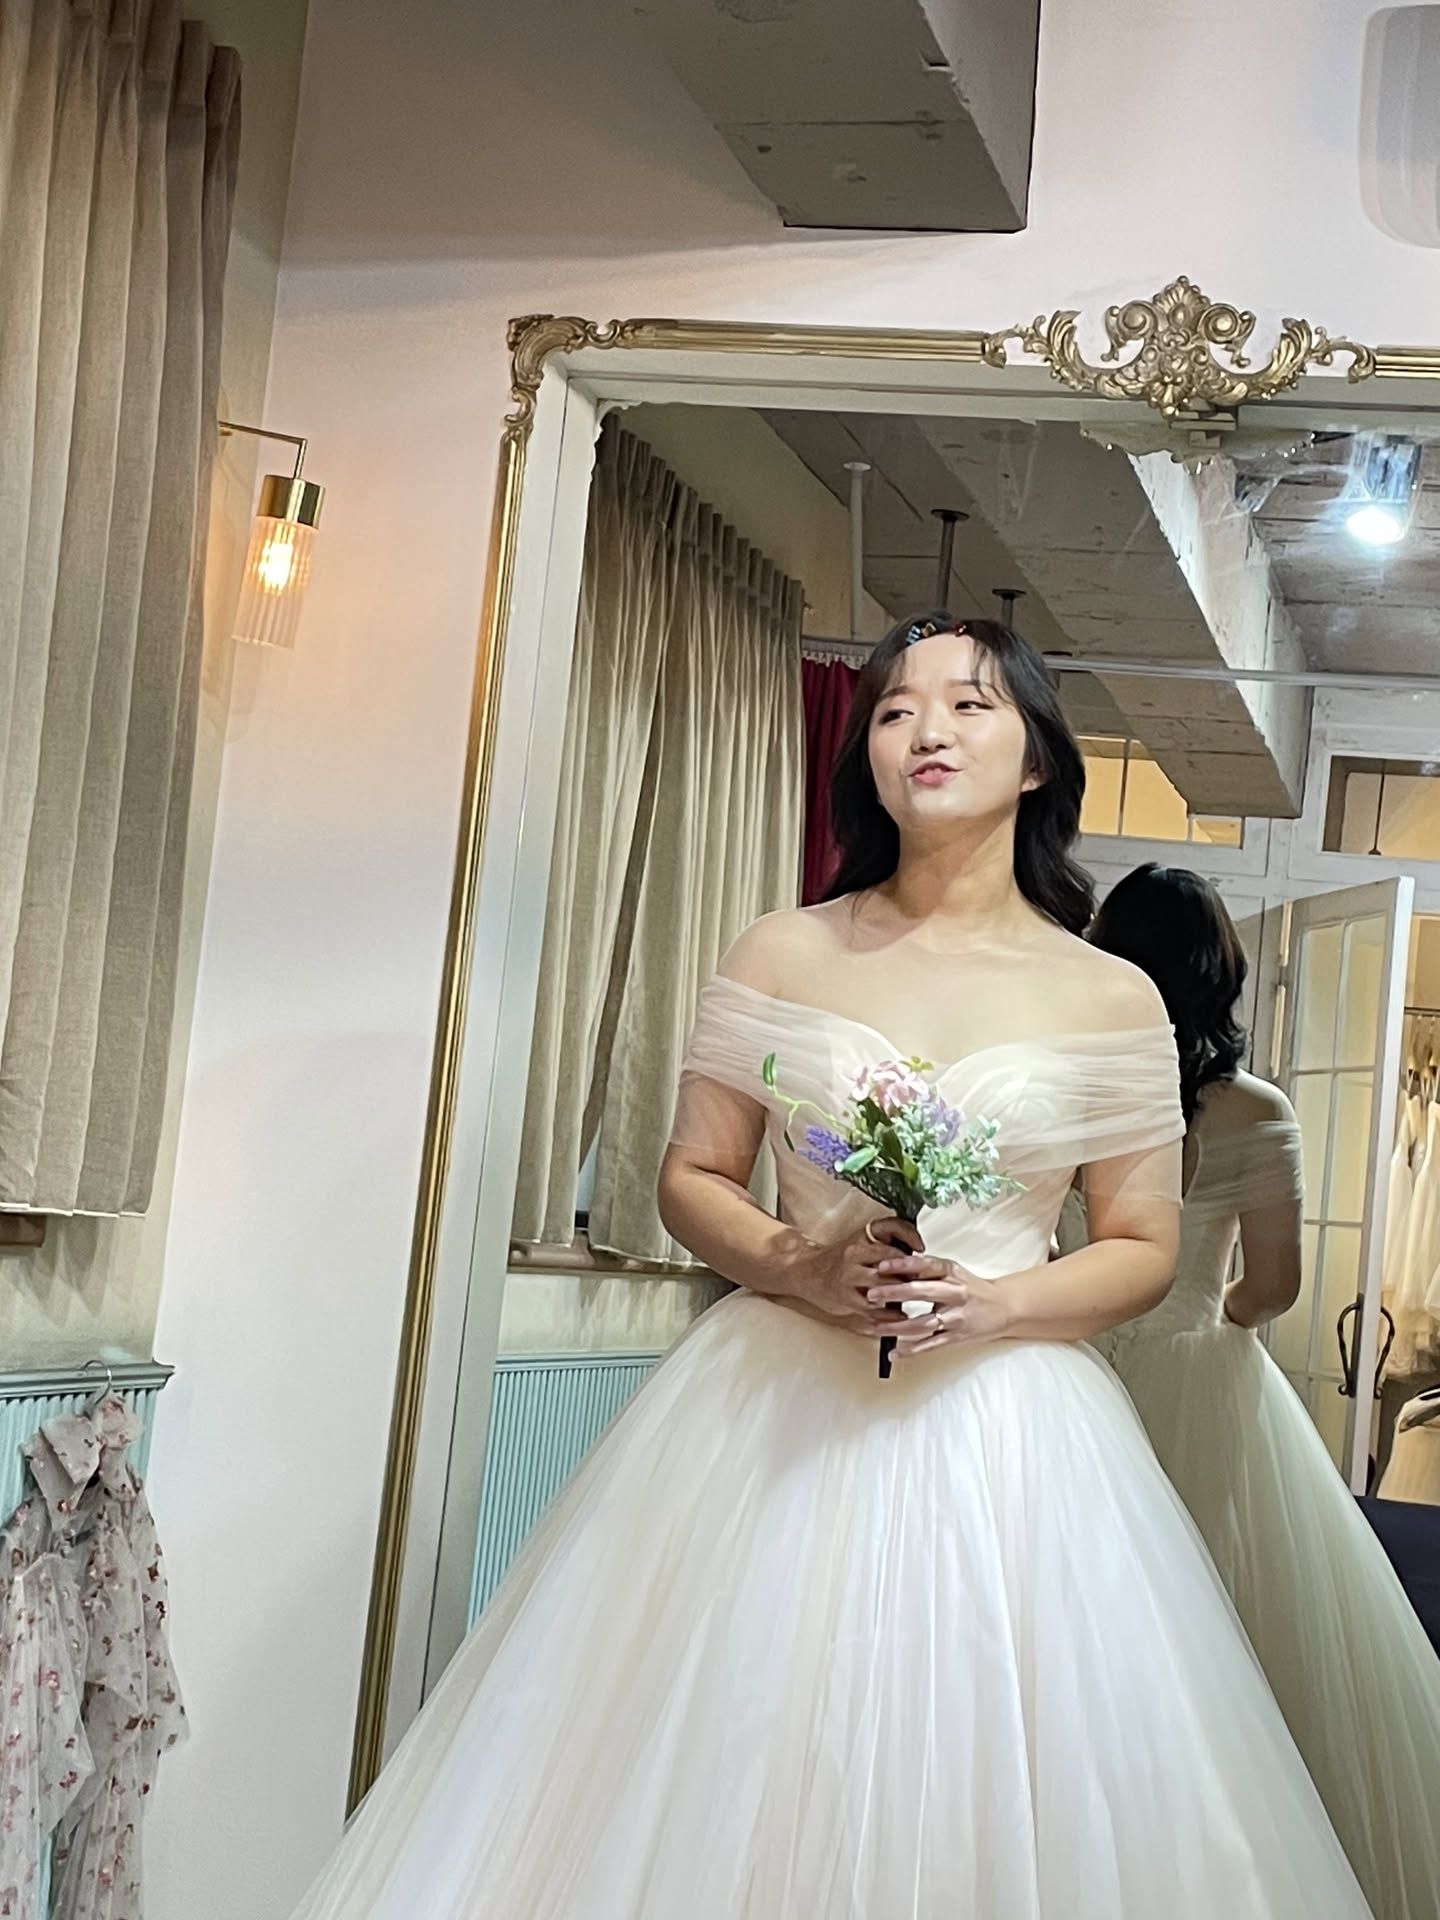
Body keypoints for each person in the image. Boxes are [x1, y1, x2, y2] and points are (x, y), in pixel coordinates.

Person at [291, 618, 1370, 1919]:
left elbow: (1144, 1248)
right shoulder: (780, 952)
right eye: (895, 710)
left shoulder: (1109, 997)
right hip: (769, 1409)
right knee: (722, 1747)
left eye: (970, 705)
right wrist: (798, 1264)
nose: (927, 731)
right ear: (866, 755)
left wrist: (999, 1301)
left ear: (1037, 759)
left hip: (1009, 1431)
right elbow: (692, 1176)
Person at [1086, 862, 1440, 1920]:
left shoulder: (1077, 1089)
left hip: (1073, 1371)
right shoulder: (1257, 1110)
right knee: (1228, 1628)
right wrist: (1213, 1314)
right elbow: (1275, 1285)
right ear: (1222, 974)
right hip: (1201, 1371)